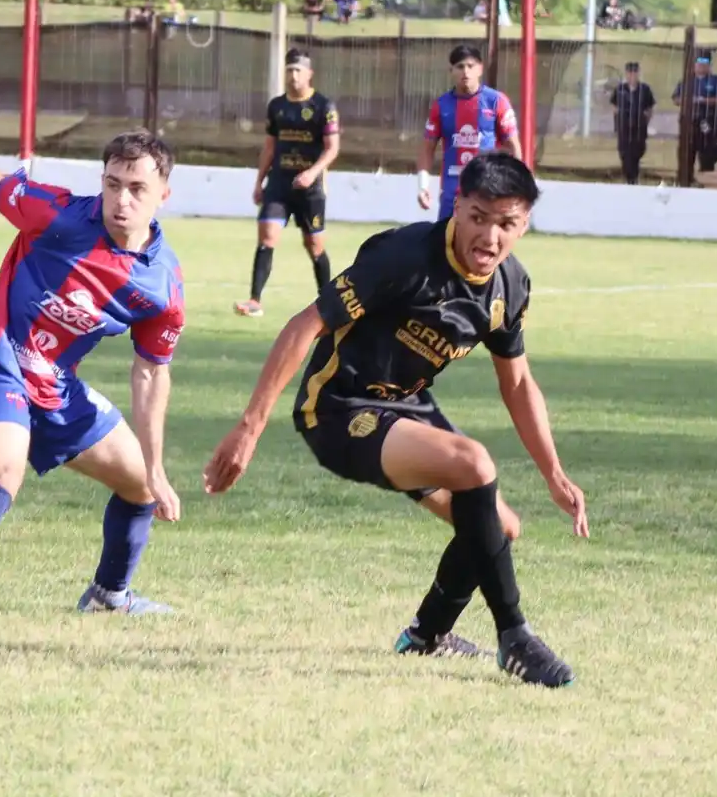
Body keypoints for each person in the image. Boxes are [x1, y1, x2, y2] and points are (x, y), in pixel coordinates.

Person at [204, 152, 587, 688]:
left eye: (507, 224)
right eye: (478, 217)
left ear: (524, 225)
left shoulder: (510, 287)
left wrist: (554, 472)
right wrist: (250, 426)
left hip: (405, 408)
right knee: (475, 464)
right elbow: (305, 324)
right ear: (457, 206)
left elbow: (518, 383)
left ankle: (426, 636)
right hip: (337, 409)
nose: (490, 237)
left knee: (498, 529)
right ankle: (515, 637)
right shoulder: (404, 256)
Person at [0, 97, 186, 650]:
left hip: (54, 385)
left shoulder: (161, 286)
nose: (121, 200)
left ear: (163, 196)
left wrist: (156, 466)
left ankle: (109, 595)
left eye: (137, 189)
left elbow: (151, 374)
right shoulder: (57, 215)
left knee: (137, 485)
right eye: (113, 184)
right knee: (1, 471)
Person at [234, 48, 341, 319]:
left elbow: (332, 148)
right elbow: (270, 147)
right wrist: (259, 181)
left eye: (298, 71)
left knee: (314, 246)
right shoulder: (277, 106)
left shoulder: (324, 107)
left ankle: (328, 302)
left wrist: (312, 173)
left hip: (310, 190)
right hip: (279, 184)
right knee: (267, 237)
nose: (293, 76)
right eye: (290, 70)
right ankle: (255, 300)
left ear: (309, 74)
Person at [417, 45, 522, 219]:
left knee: (483, 234)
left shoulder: (496, 101)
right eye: (460, 66)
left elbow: (513, 146)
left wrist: (517, 186)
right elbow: (427, 149)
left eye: (470, 66)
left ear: (480, 69)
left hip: (488, 190)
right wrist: (423, 186)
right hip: (452, 193)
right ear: (451, 71)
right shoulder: (441, 105)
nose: (465, 72)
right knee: (446, 235)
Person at [674, 52, 717, 174]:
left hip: (708, 123)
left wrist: (702, 100)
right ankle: (686, 179)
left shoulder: (716, 81)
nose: (701, 66)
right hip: (689, 123)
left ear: (709, 65)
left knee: (707, 155)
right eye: (698, 63)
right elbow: (676, 98)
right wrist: (688, 100)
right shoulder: (686, 81)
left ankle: (705, 178)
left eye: (704, 63)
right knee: (686, 154)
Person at [610, 61, 656, 184]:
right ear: (626, 74)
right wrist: (618, 120)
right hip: (624, 128)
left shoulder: (644, 89)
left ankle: (633, 177)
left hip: (638, 128)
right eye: (629, 73)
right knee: (624, 153)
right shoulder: (620, 89)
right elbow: (614, 106)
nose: (632, 75)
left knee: (636, 152)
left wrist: (645, 121)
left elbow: (650, 108)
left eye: (634, 72)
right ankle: (629, 178)